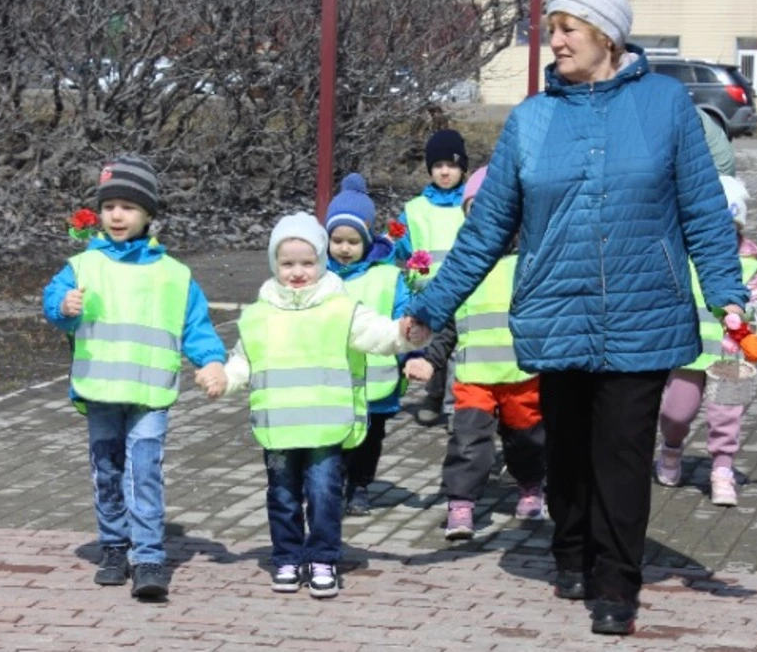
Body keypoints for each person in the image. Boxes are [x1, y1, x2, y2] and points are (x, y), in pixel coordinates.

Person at [402, 0, 748, 636]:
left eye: (567, 28)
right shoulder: (533, 119)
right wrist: (433, 306)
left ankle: (616, 581)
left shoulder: (665, 106)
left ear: (606, 34)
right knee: (566, 450)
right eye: (551, 28)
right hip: (556, 310)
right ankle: (571, 546)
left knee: (622, 452)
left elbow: (704, 212)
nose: (554, 41)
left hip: (646, 311)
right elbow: (486, 229)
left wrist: (727, 297)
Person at [214, 212, 427, 599]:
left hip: (326, 426)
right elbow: (244, 359)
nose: (297, 272)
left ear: (322, 261)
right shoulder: (259, 315)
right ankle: (287, 557)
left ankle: (323, 557)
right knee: (282, 496)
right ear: (274, 264)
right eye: (287, 263)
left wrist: (404, 334)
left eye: (307, 262)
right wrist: (225, 379)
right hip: (279, 428)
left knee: (325, 493)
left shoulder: (341, 308)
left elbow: (377, 333)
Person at [42, 155, 227, 599]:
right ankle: (113, 546)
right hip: (101, 390)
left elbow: (196, 326)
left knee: (143, 471)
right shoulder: (83, 266)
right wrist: (63, 306)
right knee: (107, 470)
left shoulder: (174, 275)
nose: (117, 215)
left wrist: (211, 361)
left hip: (150, 394)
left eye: (128, 207)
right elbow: (54, 302)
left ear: (148, 214)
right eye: (109, 207)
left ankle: (148, 557)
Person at [404, 166, 546, 540]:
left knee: (528, 443)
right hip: (473, 378)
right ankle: (461, 503)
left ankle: (531, 486)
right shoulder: (462, 270)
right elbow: (448, 325)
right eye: (476, 212)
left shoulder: (529, 264)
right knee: (468, 443)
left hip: (522, 377)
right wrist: (429, 359)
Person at [657, 175, 757, 506]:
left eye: (730, 228)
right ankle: (671, 449)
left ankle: (722, 469)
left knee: (727, 416)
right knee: (676, 413)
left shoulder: (750, 265)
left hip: (731, 357)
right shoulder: (685, 257)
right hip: (690, 352)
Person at [324, 173, 412, 516]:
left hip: (377, 379)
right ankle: (332, 484)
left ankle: (359, 484)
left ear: (367, 240)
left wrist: (413, 354)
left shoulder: (388, 277)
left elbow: (404, 317)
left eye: (352, 241)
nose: (344, 249)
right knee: (334, 437)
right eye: (337, 240)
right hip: (332, 380)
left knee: (370, 438)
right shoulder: (318, 278)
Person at [393, 129, 468, 426]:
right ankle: (434, 396)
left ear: (462, 168)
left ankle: (456, 407)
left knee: (460, 350)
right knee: (433, 346)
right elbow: (397, 243)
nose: (445, 172)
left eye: (452, 165)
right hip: (428, 293)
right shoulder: (415, 209)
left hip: (465, 292)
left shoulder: (472, 205)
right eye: (438, 166)